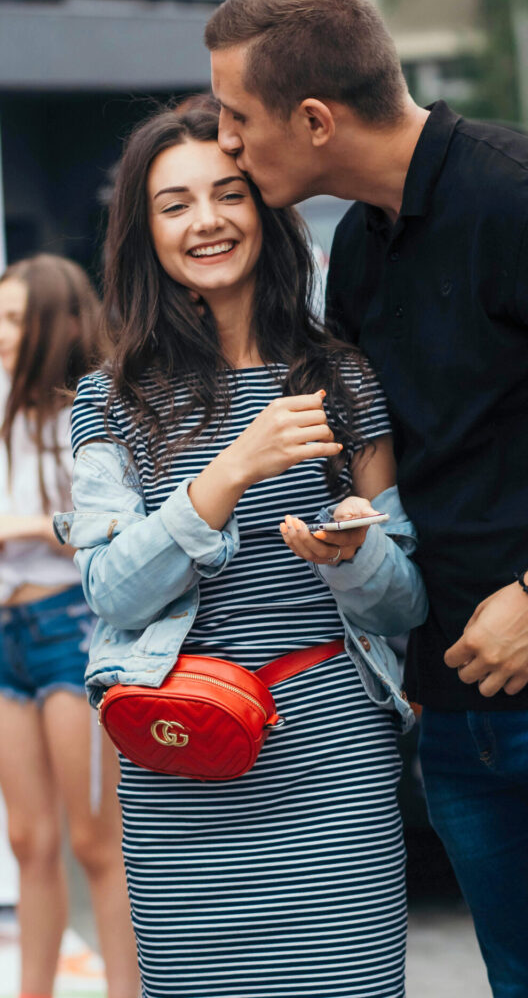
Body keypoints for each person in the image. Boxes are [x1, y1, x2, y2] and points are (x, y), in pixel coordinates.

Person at [204, 0, 528, 996]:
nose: (228, 148)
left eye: (237, 122)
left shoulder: (519, 196)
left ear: (315, 119)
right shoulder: (361, 251)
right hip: (460, 705)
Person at [55, 102, 427, 998]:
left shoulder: (343, 379)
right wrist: (234, 467)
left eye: (229, 193)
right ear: (144, 232)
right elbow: (112, 589)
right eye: (174, 204)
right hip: (181, 750)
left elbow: (404, 601)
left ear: (266, 209)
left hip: (331, 750)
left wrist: (354, 556)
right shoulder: (109, 398)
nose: (207, 220)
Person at [0, 255, 139, 998]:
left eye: (17, 317)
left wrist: (17, 526)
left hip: (70, 627)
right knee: (28, 841)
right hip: (4, 635)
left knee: (96, 844)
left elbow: (108, 528)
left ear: (58, 323)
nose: (2, 331)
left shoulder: (91, 408)